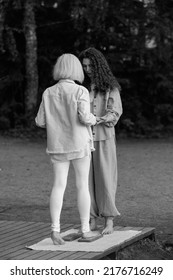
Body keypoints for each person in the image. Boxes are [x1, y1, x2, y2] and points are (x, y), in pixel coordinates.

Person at [35, 53, 97, 245]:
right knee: (81, 185)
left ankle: (55, 231)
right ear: (76, 69)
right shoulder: (80, 91)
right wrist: (95, 119)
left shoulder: (48, 92)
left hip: (57, 145)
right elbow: (85, 118)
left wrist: (57, 123)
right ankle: (86, 230)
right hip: (79, 144)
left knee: (58, 186)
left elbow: (40, 121)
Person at [79, 47, 123, 235]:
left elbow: (114, 112)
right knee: (86, 180)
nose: (87, 69)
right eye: (84, 66)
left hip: (104, 139)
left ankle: (109, 221)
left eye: (90, 66)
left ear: (98, 66)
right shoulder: (82, 88)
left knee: (105, 178)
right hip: (85, 139)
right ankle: (91, 219)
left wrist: (104, 118)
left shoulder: (110, 88)